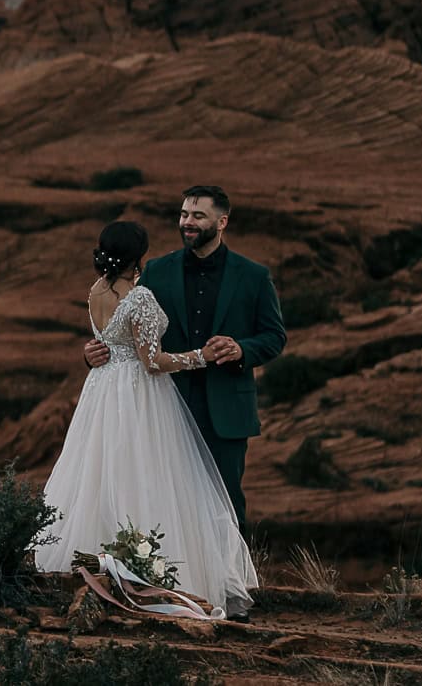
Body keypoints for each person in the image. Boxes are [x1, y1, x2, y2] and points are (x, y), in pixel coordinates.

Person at [33, 217, 260, 619]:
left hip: (103, 392)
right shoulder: (138, 299)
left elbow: (110, 344)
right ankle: (152, 575)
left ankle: (98, 566)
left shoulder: (96, 291)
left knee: (100, 474)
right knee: (150, 475)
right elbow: (153, 362)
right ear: (140, 256)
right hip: (139, 395)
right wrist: (201, 357)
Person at [85, 186, 286, 564]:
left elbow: (275, 337)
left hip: (226, 409)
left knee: (225, 501)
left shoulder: (254, 276)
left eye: (197, 216)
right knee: (165, 503)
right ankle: (180, 583)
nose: (187, 223)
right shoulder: (156, 271)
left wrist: (243, 349)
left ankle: (230, 589)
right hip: (161, 408)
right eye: (183, 215)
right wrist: (93, 353)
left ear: (222, 222)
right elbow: (123, 327)